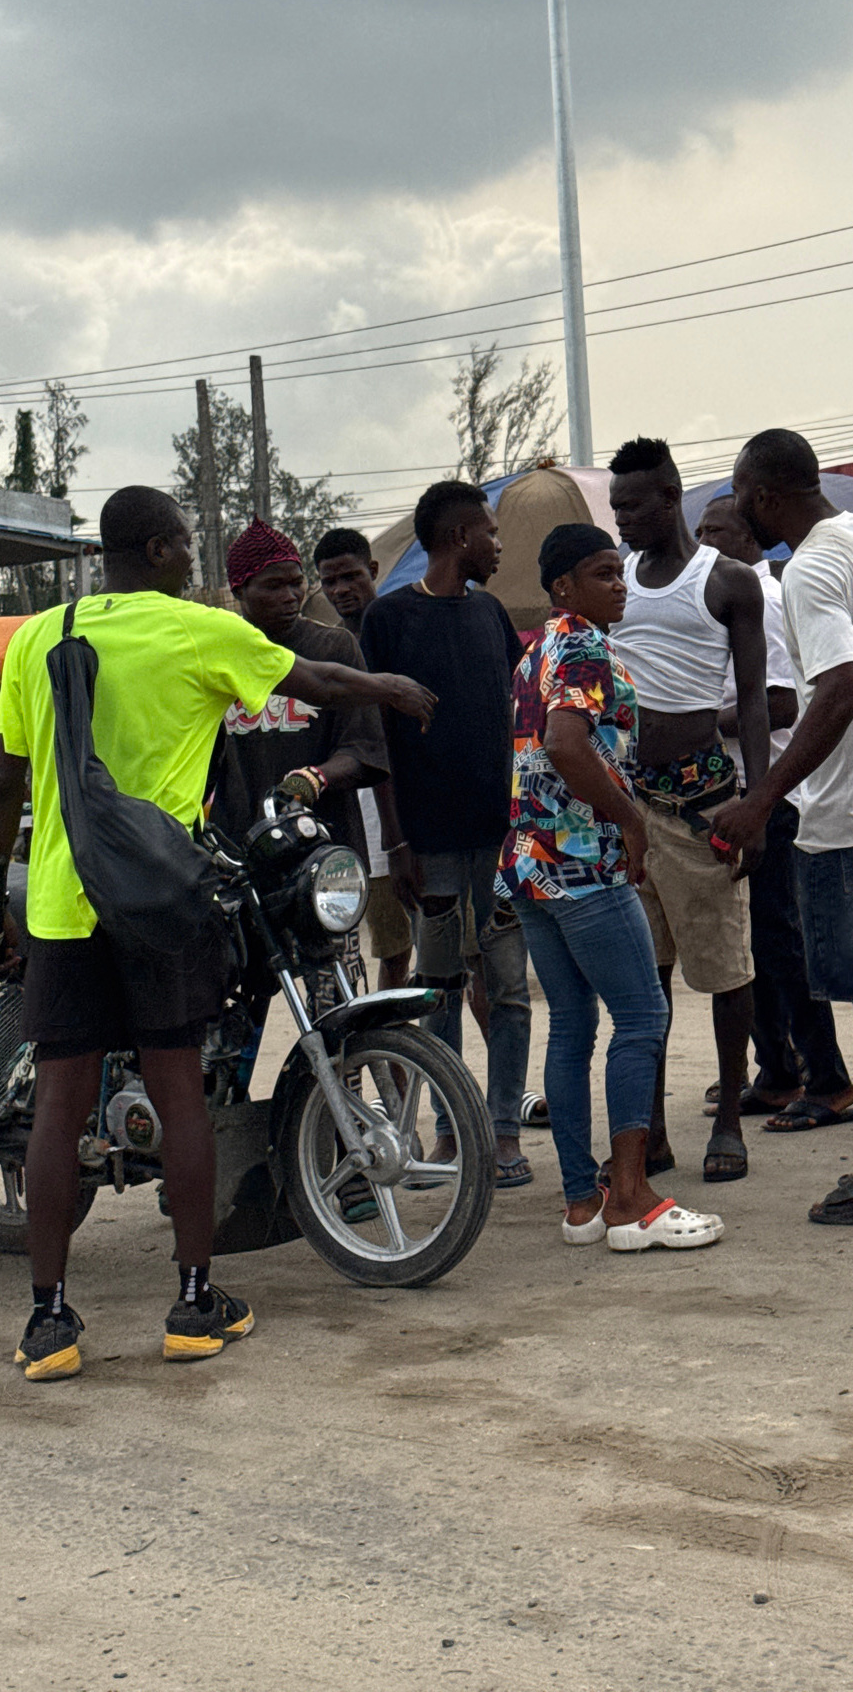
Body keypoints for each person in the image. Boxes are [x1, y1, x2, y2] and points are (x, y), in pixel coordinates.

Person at [0, 486, 435, 1382]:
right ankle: (192, 1305)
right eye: (185, 541)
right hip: (161, 902)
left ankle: (48, 1323)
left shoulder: (38, 638)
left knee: (59, 1107)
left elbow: (3, 787)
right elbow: (319, 683)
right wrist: (391, 687)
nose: (194, 556)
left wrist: (0, 907)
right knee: (180, 1093)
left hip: (65, 906)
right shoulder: (197, 631)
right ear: (155, 549)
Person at [709, 430, 853, 1225]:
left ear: (764, 495)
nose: (738, 511)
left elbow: (839, 690)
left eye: (740, 495)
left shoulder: (809, 568)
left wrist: (762, 798)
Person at [500, 524, 723, 1252]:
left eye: (620, 572)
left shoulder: (537, 649)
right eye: (603, 574)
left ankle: (582, 1204)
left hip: (531, 862)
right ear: (563, 586)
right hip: (584, 861)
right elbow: (567, 745)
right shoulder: (586, 648)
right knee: (642, 1015)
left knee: (571, 1023)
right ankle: (630, 1199)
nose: (620, 585)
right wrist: (630, 821)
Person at [359, 481, 533, 1186]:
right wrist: (397, 842)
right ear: (460, 537)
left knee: (509, 988)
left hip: (498, 841)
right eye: (490, 531)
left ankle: (504, 1132)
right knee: (438, 990)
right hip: (427, 846)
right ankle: (451, 1131)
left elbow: (516, 716)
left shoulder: (490, 613)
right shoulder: (389, 620)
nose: (498, 544)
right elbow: (377, 740)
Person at [607, 437, 771, 1186]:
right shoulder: (616, 583)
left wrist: (758, 803)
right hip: (630, 804)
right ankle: (653, 1131)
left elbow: (755, 702)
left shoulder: (727, 581)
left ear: (671, 498)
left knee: (726, 971)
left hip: (704, 802)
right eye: (615, 509)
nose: (621, 520)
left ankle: (729, 1119)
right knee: (646, 981)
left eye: (632, 506)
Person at [695, 494, 853, 1129]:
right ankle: (777, 1072)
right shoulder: (718, 599)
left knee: (780, 940)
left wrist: (697, 725)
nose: (703, 543)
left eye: (716, 531)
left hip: (771, 793)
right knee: (749, 942)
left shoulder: (765, 596)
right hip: (734, 792)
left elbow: (782, 703)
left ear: (750, 538)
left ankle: (828, 1078)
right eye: (699, 531)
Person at [208, 518, 390, 1055]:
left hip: (321, 863)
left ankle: (340, 1107)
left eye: (296, 583)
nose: (291, 595)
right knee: (229, 1026)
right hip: (239, 865)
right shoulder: (217, 655)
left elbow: (364, 747)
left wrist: (316, 777)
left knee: (338, 1017)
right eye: (274, 586)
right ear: (239, 591)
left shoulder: (333, 648)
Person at [314, 527, 412, 988]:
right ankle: (390, 1039)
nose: (340, 590)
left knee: (452, 952)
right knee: (392, 951)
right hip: (365, 829)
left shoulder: (400, 631)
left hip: (419, 816)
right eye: (329, 582)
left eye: (351, 577)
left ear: (373, 570)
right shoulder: (327, 653)